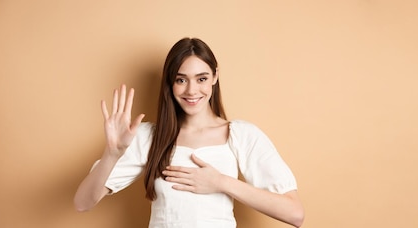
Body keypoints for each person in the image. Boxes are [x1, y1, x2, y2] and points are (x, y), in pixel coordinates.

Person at [73, 37, 304, 228]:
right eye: (181, 80)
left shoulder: (241, 135)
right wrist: (112, 154)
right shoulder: (148, 137)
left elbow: (294, 214)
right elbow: (83, 203)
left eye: (201, 79)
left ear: (215, 76)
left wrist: (221, 182)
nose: (192, 90)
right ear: (170, 84)